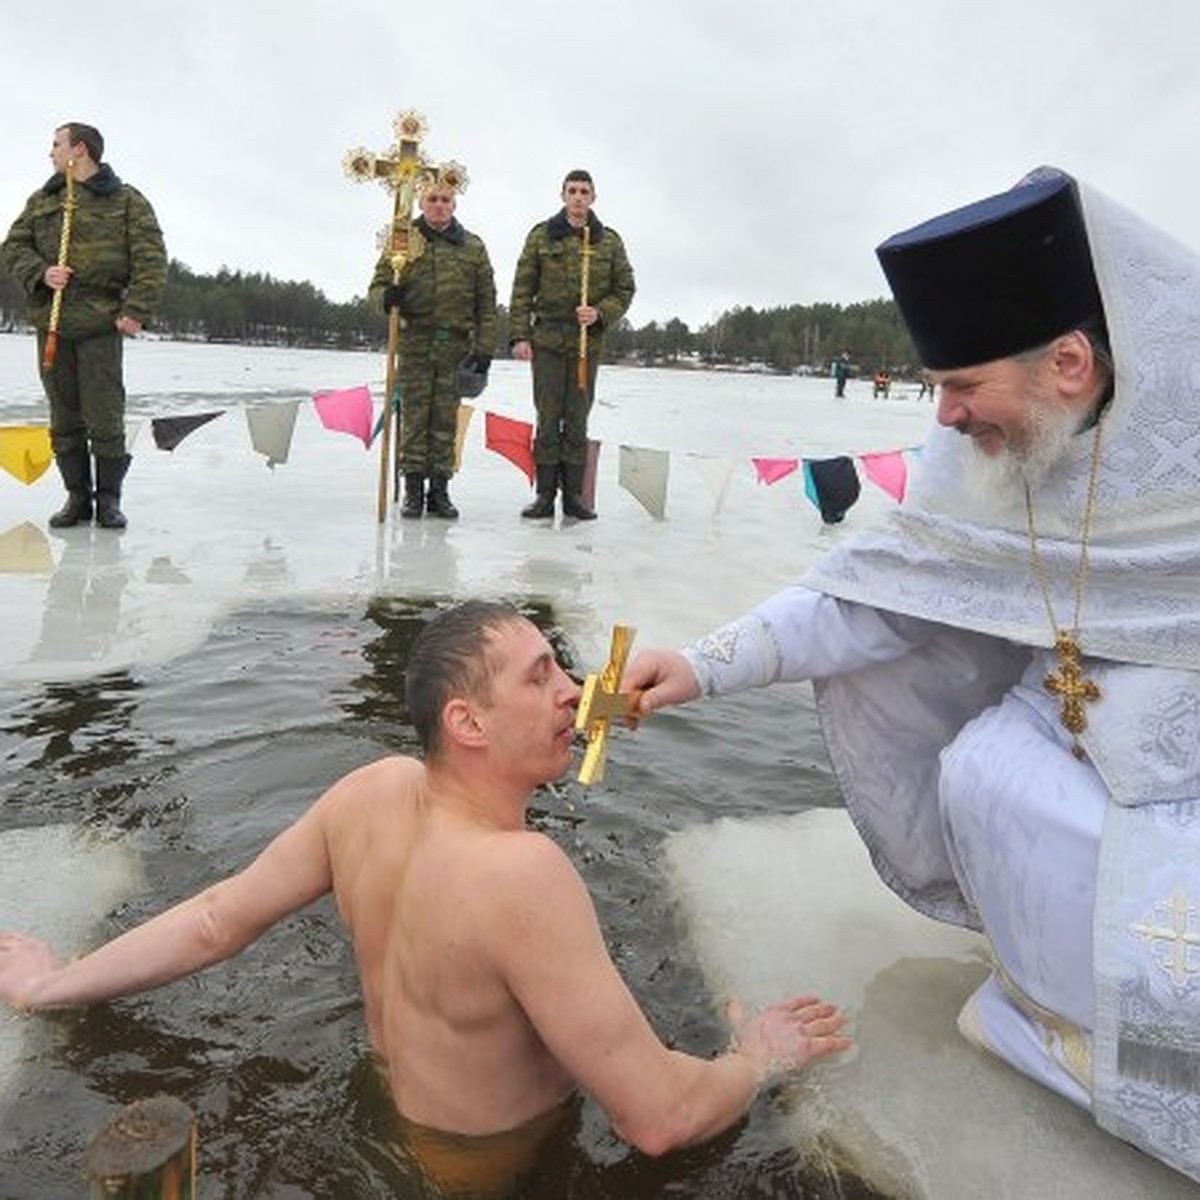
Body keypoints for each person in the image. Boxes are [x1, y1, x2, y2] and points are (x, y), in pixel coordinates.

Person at [624, 168, 1200, 1184]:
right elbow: (872, 598)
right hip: (1064, 715)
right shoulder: (985, 449)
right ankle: (1052, 1008)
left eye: (961, 387)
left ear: (1069, 363)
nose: (940, 418)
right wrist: (702, 667)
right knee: (985, 770)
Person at [0, 600, 849, 1193]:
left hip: (381, 1134)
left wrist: (50, 987)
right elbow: (657, 1120)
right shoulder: (523, 873)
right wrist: (756, 1058)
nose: (573, 691)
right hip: (485, 1176)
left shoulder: (368, 793)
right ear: (467, 724)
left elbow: (218, 920)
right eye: (540, 675)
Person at [2, 122, 167, 531]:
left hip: (100, 323)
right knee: (64, 415)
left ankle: (108, 499)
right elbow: (12, 247)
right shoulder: (44, 201)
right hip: (54, 325)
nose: (50, 152)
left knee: (105, 414)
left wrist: (136, 309)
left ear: (79, 149)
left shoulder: (126, 201)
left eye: (56, 144)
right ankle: (76, 497)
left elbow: (151, 259)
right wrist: (41, 272)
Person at [368, 168, 497, 520]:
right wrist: (387, 297)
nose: (439, 206)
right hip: (414, 343)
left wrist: (484, 350)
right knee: (414, 418)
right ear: (422, 203)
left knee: (445, 421)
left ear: (454, 205)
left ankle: (439, 490)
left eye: (445, 200)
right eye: (432, 200)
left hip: (455, 346)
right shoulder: (403, 241)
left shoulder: (473, 247)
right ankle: (412, 490)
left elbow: (486, 303)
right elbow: (376, 288)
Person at [509, 169, 635, 521]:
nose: (578, 197)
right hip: (548, 339)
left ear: (593, 198)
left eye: (584, 192)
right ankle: (545, 496)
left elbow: (624, 288)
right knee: (548, 417)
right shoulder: (541, 236)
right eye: (572, 191)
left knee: (577, 418)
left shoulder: (607, 241)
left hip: (585, 343)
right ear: (562, 196)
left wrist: (599, 313)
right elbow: (522, 288)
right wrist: (520, 335)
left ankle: (574, 497)